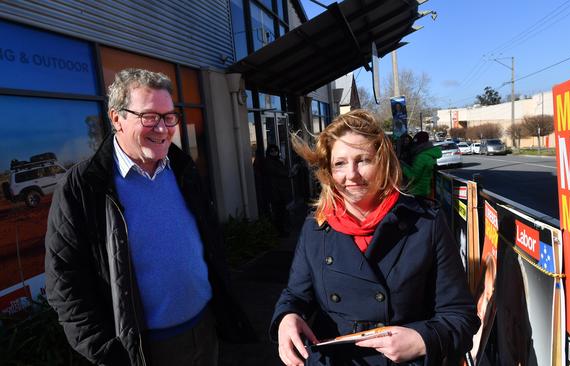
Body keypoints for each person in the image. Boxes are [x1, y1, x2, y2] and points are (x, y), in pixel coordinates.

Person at [44, 68, 254, 366]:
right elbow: (64, 283)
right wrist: (108, 353)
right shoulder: (83, 186)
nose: (163, 128)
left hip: (205, 329)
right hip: (143, 349)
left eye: (169, 117)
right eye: (149, 117)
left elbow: (210, 243)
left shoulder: (183, 170)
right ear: (116, 118)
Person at [271, 109, 479, 366]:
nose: (352, 175)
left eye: (363, 160)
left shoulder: (426, 223)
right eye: (340, 163)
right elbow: (295, 295)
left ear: (383, 162)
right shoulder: (316, 227)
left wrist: (421, 340)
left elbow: (461, 315)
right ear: (328, 171)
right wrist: (286, 318)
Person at [262, 144, 295, 236]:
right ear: (268, 152)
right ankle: (280, 231)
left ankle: (282, 230)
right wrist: (288, 173)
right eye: (271, 151)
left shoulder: (277, 162)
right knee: (279, 213)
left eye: (275, 150)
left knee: (282, 212)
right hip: (275, 192)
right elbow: (280, 173)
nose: (274, 153)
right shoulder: (269, 163)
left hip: (281, 191)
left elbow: (283, 173)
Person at [400, 131, 442, 198]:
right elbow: (417, 171)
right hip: (426, 189)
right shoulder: (429, 154)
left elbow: (413, 177)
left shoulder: (421, 157)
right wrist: (405, 165)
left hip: (418, 191)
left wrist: (402, 167)